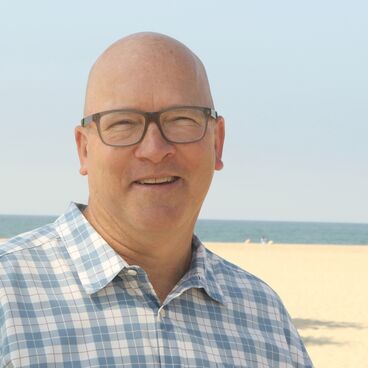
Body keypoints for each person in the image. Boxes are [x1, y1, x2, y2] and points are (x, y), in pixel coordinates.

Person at [0, 33, 313, 367]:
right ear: (85, 149)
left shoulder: (264, 315)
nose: (154, 150)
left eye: (181, 120)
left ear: (217, 143)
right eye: (123, 123)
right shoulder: (8, 295)